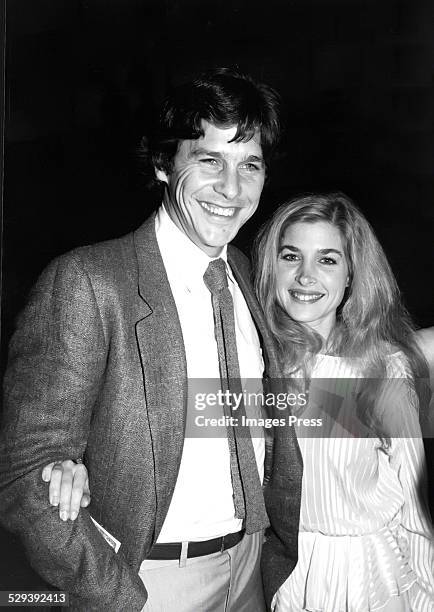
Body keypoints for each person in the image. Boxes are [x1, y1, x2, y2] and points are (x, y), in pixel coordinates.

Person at [0, 68, 303, 611]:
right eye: (209, 160)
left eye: (249, 165)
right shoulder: (90, 282)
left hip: (253, 570)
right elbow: (24, 473)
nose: (231, 189)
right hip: (150, 582)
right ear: (164, 164)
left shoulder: (245, 274)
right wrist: (116, 595)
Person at [254, 193, 434, 611]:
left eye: (327, 260)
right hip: (283, 576)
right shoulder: (253, 359)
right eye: (291, 256)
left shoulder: (383, 369)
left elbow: (415, 503)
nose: (305, 276)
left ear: (351, 275)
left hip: (368, 576)